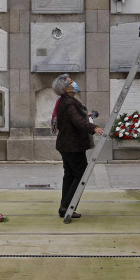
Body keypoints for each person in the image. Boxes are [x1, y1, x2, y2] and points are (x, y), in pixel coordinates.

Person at [51, 74, 104, 218]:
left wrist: (87, 116)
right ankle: (68, 206)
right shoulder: (69, 102)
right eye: (71, 82)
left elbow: (76, 119)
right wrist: (93, 128)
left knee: (69, 175)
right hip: (72, 146)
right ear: (66, 88)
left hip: (66, 144)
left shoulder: (65, 101)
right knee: (80, 175)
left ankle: (64, 207)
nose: (74, 83)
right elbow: (77, 121)